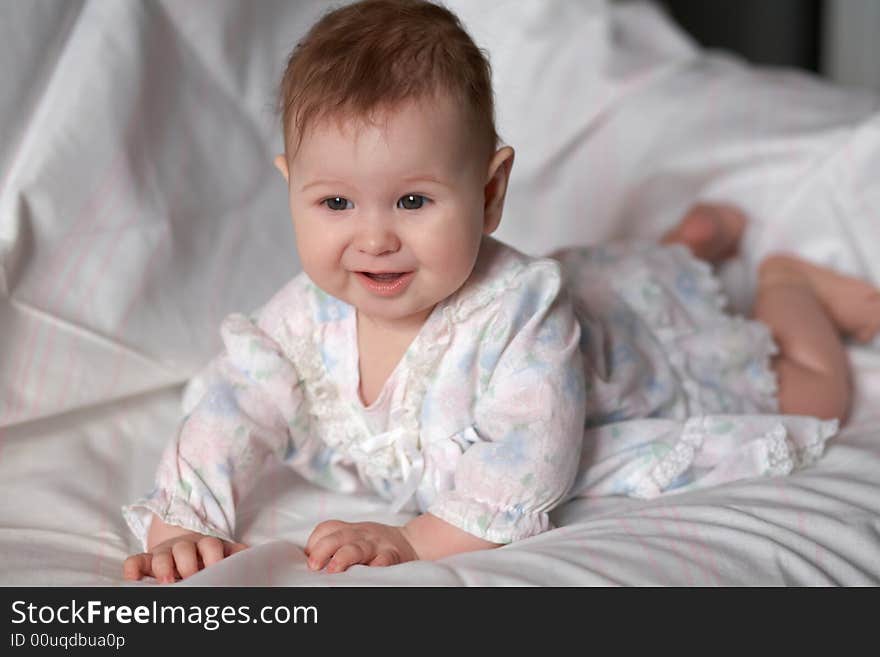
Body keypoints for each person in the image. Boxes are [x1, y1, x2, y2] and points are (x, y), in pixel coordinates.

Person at [122, 0, 880, 583]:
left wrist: (414, 537)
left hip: (631, 364)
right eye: (336, 204)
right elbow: (234, 404)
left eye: (413, 202)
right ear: (291, 189)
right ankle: (684, 245)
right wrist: (184, 520)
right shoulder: (300, 317)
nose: (375, 238)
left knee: (812, 398)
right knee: (615, 273)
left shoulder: (521, 312)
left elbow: (532, 453)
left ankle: (789, 284)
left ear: (490, 192)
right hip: (598, 287)